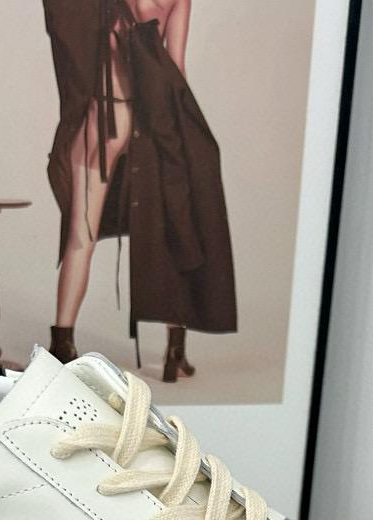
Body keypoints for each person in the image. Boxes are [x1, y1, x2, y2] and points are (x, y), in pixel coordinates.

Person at [44, 0, 236, 382]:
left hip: (103, 116)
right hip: (152, 121)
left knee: (81, 237)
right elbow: (175, 66)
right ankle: (175, 350)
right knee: (172, 229)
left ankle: (62, 344)